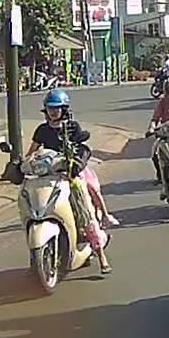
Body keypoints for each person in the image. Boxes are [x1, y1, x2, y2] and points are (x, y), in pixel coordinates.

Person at [27, 90, 114, 273]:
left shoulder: (72, 127)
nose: (53, 112)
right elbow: (32, 152)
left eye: (57, 108)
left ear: (64, 109)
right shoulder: (42, 130)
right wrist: (22, 164)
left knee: (84, 209)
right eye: (50, 108)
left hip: (71, 174)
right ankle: (35, 256)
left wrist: (75, 164)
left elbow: (81, 147)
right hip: (49, 175)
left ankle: (101, 254)